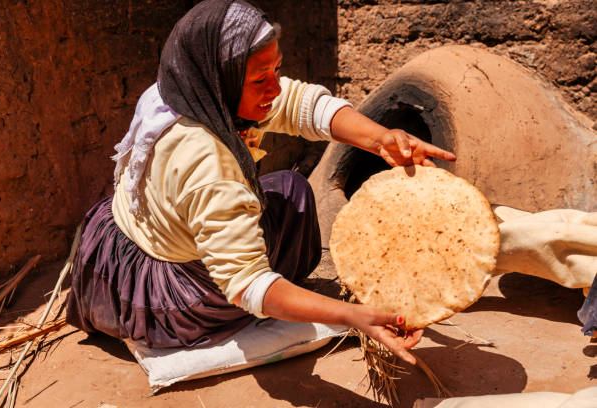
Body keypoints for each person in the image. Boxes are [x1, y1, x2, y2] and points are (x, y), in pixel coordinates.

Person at [66, 0, 456, 366]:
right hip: (168, 297)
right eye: (259, 80)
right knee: (292, 204)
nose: (274, 87)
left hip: (109, 248)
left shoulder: (184, 91)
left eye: (276, 70)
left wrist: (381, 138)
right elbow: (247, 283)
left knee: (290, 188)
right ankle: (213, 322)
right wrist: (353, 315)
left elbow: (301, 104)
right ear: (222, 81)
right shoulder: (208, 161)